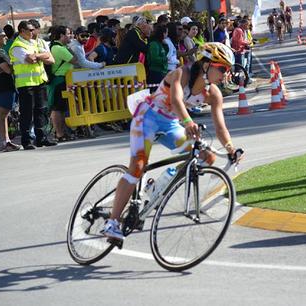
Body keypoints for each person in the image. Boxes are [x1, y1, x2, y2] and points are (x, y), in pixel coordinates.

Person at [102, 42, 244, 240]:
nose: (225, 74)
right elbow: (177, 100)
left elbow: (220, 127)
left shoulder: (213, 94)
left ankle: (157, 187)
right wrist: (188, 122)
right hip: (148, 116)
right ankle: (112, 221)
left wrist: (230, 148)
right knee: (138, 166)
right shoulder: (182, 73)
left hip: (170, 123)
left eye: (227, 69)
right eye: (222, 68)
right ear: (206, 65)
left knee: (206, 156)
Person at [9, 21, 57, 150]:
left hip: (39, 81)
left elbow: (49, 57)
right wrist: (39, 56)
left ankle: (41, 138)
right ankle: (27, 141)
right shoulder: (17, 46)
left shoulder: (34, 42)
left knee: (41, 111)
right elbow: (29, 60)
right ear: (21, 31)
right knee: (27, 113)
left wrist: (37, 55)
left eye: (32, 30)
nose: (32, 32)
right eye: (29, 30)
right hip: (26, 84)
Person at [0, 28, 21, 152]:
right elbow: (8, 69)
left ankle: (6, 141)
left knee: (2, 115)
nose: (5, 37)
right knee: (2, 114)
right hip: (3, 87)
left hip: (4, 87)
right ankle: (6, 142)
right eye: (2, 36)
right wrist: (12, 65)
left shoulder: (0, 51)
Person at [47, 25, 77, 142]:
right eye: (68, 34)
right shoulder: (59, 48)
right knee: (57, 108)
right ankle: (59, 134)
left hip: (61, 80)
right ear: (61, 36)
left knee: (61, 108)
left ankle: (61, 132)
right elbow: (74, 59)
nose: (71, 36)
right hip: (59, 81)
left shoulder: (57, 47)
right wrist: (69, 47)